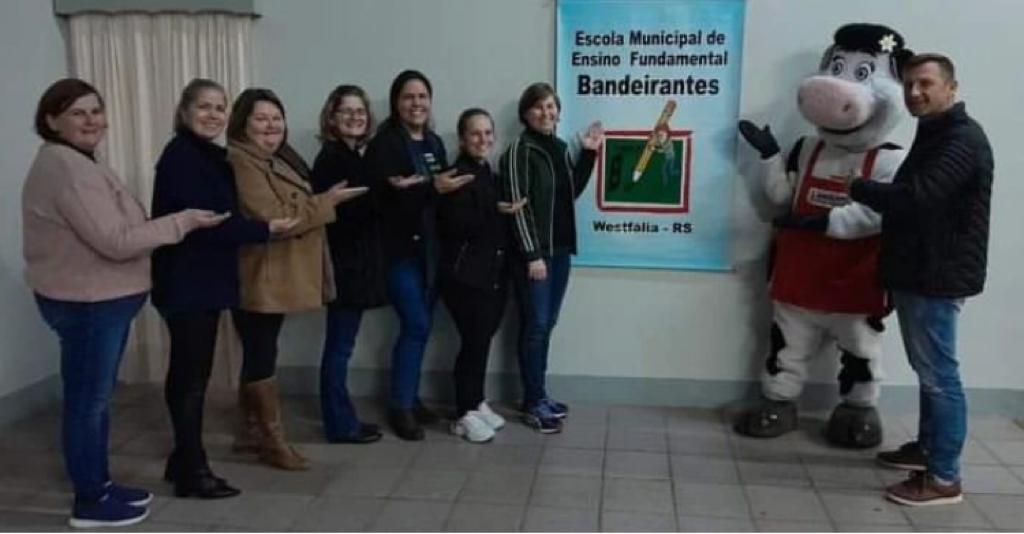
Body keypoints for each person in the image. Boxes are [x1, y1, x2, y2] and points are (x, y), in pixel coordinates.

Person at [22, 78, 226, 527]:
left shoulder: (77, 161)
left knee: (93, 399)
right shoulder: (68, 169)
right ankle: (90, 501)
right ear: (52, 120)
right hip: (89, 303)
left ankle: (99, 483)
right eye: (78, 113)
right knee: (88, 403)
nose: (91, 121)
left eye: (96, 111)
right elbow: (115, 241)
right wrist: (183, 222)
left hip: (97, 299)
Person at [848, 53, 994, 506]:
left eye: (926, 83)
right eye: (910, 84)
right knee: (929, 371)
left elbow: (918, 197)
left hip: (937, 275)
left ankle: (944, 478)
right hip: (921, 271)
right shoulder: (936, 133)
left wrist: (859, 187)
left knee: (939, 377)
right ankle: (927, 451)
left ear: (951, 87)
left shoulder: (961, 139)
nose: (915, 92)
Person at [151, 79, 299, 498]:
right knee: (190, 377)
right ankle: (192, 470)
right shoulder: (181, 156)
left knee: (193, 371)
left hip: (206, 279)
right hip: (186, 280)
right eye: (204, 107)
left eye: (220, 108)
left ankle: (182, 458)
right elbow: (209, 222)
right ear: (184, 112)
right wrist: (265, 229)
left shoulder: (211, 155)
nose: (213, 115)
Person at [226, 88, 367, 469]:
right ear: (242, 124)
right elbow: (275, 216)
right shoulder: (241, 161)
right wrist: (327, 202)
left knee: (261, 349)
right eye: (261, 118)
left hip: (277, 271)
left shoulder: (277, 158)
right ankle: (272, 441)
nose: (271, 125)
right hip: (259, 272)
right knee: (261, 353)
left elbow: (294, 206)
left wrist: (320, 201)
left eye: (277, 118)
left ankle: (250, 433)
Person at [364, 70, 470, 440]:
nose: (416, 103)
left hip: (430, 250)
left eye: (422, 96)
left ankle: (409, 397)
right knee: (416, 325)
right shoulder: (384, 146)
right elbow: (382, 202)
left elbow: (439, 194)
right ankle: (400, 405)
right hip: (399, 252)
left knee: (421, 327)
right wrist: (428, 188)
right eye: (409, 97)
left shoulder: (434, 143)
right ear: (396, 102)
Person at [499, 82, 603, 433]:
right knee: (536, 326)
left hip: (559, 252)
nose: (546, 113)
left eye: (551, 106)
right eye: (539, 107)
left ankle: (539, 394)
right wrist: (532, 254)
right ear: (525, 113)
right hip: (535, 256)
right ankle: (533, 402)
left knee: (546, 325)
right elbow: (517, 209)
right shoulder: (519, 151)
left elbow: (570, 192)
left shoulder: (558, 147)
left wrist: (588, 154)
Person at [437, 108, 526, 443]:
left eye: (488, 133)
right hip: (464, 277)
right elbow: (456, 226)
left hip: (492, 274)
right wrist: (494, 211)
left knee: (483, 339)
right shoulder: (455, 176)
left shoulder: (489, 173)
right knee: (473, 342)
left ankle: (476, 401)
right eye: (475, 133)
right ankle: (463, 414)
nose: (483, 139)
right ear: (462, 139)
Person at [310, 84, 388, 444]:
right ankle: (340, 424)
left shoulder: (355, 155)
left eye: (360, 112)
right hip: (345, 267)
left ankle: (343, 418)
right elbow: (345, 214)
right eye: (347, 112)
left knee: (342, 345)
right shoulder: (333, 159)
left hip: (356, 264)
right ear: (331, 117)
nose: (356, 118)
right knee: (339, 347)